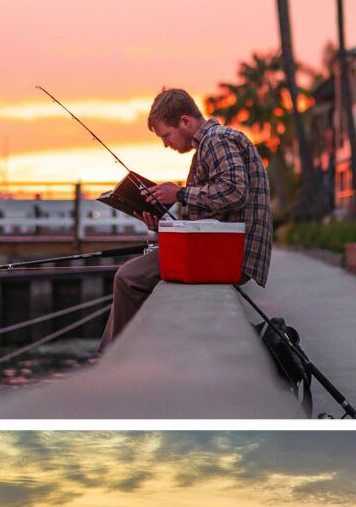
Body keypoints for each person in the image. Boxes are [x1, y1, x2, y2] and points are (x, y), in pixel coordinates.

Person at [99, 88, 273, 350]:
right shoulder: (209, 145)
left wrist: (179, 192)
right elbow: (210, 212)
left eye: (166, 136)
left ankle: (113, 361)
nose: (166, 144)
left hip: (228, 256)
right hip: (218, 249)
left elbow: (235, 191)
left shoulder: (217, 140)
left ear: (185, 121)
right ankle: (132, 354)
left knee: (127, 277)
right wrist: (160, 225)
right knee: (134, 275)